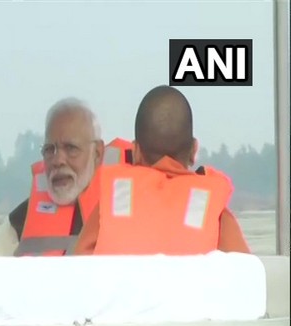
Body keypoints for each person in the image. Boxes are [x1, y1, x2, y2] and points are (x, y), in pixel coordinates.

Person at [74, 85, 250, 256]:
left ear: (135, 151)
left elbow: (78, 269)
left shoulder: (112, 203)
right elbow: (246, 277)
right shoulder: (215, 214)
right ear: (194, 150)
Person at [0, 97, 106, 257]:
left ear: (97, 153)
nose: (58, 160)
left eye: (71, 148)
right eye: (50, 149)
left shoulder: (123, 216)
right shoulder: (18, 225)